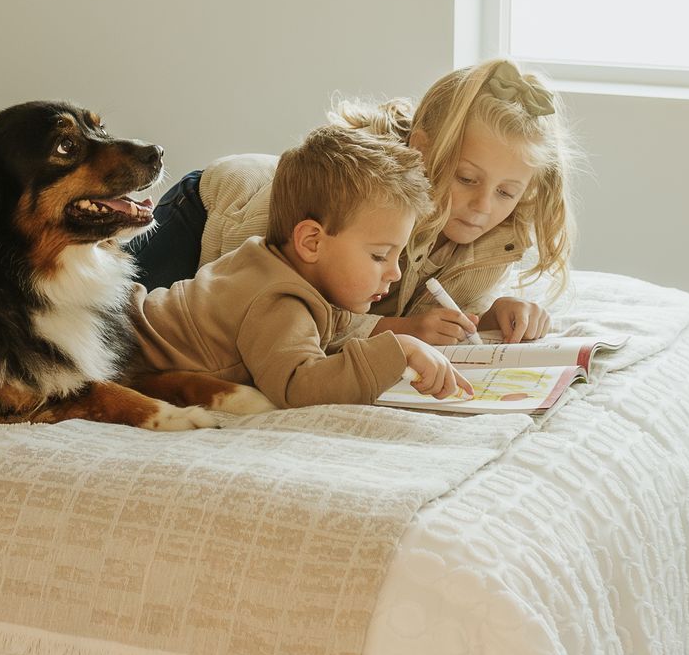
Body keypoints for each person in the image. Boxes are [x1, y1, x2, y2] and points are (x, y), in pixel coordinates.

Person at [128, 59, 578, 345]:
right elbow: (272, 305)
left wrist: (488, 317)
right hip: (210, 219)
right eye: (466, 178)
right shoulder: (361, 198)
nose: (483, 206)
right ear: (421, 149)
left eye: (506, 192)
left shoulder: (496, 237)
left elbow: (433, 311)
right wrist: (392, 331)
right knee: (119, 332)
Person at [124, 123, 471, 407]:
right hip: (121, 348)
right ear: (312, 242)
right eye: (380, 256)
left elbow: (335, 332)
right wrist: (399, 351)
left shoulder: (274, 266)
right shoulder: (278, 300)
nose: (395, 273)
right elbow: (299, 387)